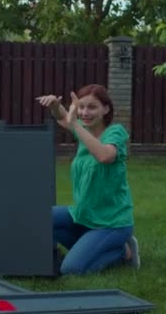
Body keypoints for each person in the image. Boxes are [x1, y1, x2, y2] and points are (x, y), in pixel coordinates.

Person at [36, 84, 139, 275]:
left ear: (106, 109)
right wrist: (54, 105)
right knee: (37, 218)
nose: (85, 112)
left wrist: (74, 123)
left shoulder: (115, 132)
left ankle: (122, 252)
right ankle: (91, 245)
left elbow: (104, 156)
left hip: (112, 222)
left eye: (92, 107)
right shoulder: (84, 131)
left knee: (71, 269)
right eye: (81, 107)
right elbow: (62, 117)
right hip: (84, 215)